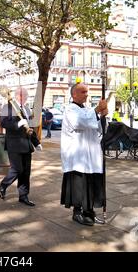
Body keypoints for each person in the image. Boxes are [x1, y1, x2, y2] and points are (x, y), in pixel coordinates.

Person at [60, 83, 108, 226]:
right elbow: (80, 122)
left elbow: (98, 129)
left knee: (91, 184)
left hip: (91, 155)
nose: (86, 94)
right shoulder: (70, 109)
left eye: (87, 92)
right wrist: (97, 110)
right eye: (83, 92)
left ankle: (89, 212)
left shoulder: (88, 110)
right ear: (74, 94)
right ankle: (77, 212)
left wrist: (103, 117)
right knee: (79, 185)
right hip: (77, 156)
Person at [0, 87, 37, 207]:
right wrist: (18, 124)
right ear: (16, 96)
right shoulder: (7, 107)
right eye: (22, 96)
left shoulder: (26, 109)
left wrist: (36, 142)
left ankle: (23, 195)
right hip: (14, 144)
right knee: (17, 169)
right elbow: (4, 123)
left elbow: (30, 128)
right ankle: (4, 184)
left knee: (26, 172)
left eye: (25, 96)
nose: (24, 98)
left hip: (26, 144)